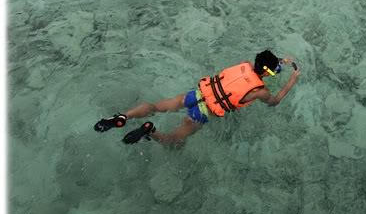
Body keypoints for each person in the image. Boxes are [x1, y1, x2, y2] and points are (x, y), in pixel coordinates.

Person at [93, 50, 300, 147]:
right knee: (173, 142)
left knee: (156, 106)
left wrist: (280, 61)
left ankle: (124, 116)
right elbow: (275, 101)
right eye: (275, 71)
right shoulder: (260, 92)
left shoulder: (244, 64)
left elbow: (261, 65)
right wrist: (291, 79)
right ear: (269, 72)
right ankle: (151, 131)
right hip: (202, 113)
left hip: (195, 95)